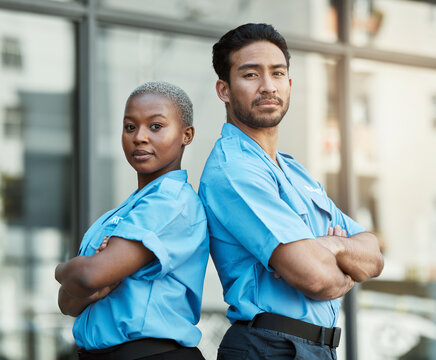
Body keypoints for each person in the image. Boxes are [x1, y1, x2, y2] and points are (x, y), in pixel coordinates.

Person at [199, 23, 384, 360]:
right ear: (224, 90)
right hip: (270, 347)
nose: (268, 86)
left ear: (289, 83)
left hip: (315, 348)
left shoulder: (293, 170)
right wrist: (343, 268)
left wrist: (331, 245)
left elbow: (373, 254)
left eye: (278, 73)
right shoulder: (234, 169)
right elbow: (317, 279)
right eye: (251, 75)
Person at [55, 81, 208, 360]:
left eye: (156, 126)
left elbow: (88, 276)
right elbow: (67, 303)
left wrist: (63, 269)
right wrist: (85, 282)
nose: (139, 137)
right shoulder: (123, 212)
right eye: (130, 127)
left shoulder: (171, 202)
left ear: (187, 135)